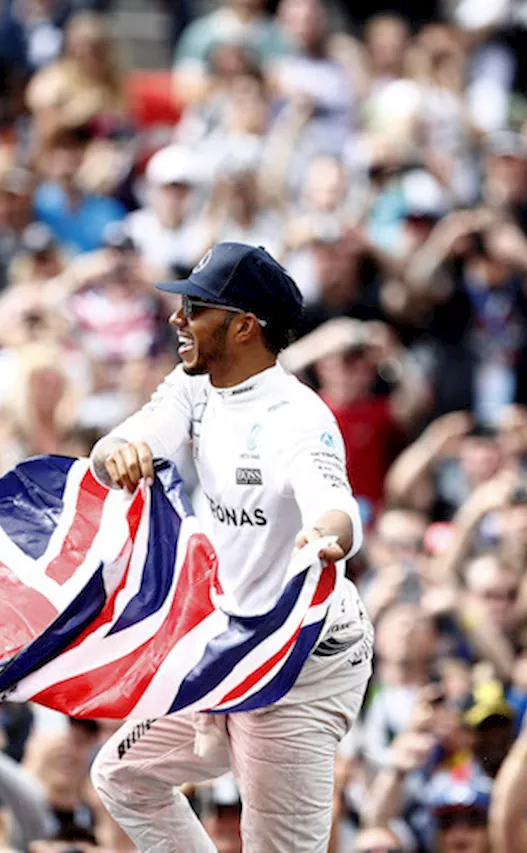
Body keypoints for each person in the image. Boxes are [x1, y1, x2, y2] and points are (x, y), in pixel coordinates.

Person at [88, 242, 374, 851]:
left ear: (243, 325)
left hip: (299, 665)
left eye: (194, 307)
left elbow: (335, 502)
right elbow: (120, 443)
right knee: (121, 775)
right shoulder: (197, 387)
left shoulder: (300, 416)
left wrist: (327, 537)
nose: (175, 319)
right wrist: (120, 452)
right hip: (231, 649)